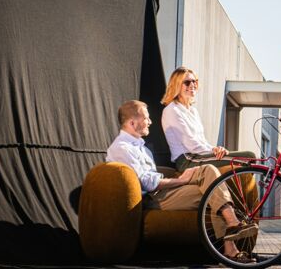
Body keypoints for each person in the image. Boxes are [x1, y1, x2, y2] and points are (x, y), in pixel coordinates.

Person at [106, 100, 257, 263]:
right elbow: (149, 184)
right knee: (213, 191)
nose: (150, 122)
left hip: (161, 192)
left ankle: (231, 234)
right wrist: (181, 180)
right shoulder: (122, 148)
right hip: (152, 199)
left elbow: (154, 178)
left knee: (209, 174)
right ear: (132, 122)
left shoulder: (142, 147)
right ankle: (232, 237)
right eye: (146, 118)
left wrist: (182, 178)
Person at [161, 66, 252, 171]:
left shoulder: (193, 111)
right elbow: (190, 143)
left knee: (249, 157)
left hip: (198, 156)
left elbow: (201, 141)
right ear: (176, 86)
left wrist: (217, 149)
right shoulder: (172, 110)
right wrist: (213, 150)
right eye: (187, 82)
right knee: (248, 156)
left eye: (194, 81)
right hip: (187, 160)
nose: (192, 85)